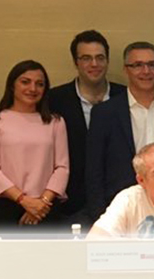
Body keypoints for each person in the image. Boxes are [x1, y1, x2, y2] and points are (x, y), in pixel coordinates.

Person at [85, 42, 154, 222]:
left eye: (152, 65)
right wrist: (99, 215)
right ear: (125, 70)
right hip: (119, 209)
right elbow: (94, 170)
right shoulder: (104, 113)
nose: (146, 71)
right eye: (137, 65)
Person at [0, 60, 69, 227]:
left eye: (40, 84)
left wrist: (41, 202)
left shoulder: (55, 122)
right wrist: (24, 201)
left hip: (45, 205)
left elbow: (62, 168)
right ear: (12, 85)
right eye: (25, 82)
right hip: (4, 204)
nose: (33, 89)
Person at [48, 30, 125, 222]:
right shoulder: (54, 100)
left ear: (107, 61)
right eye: (86, 58)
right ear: (76, 62)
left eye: (100, 58)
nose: (94, 64)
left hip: (120, 201)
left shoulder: (126, 97)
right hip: (71, 204)